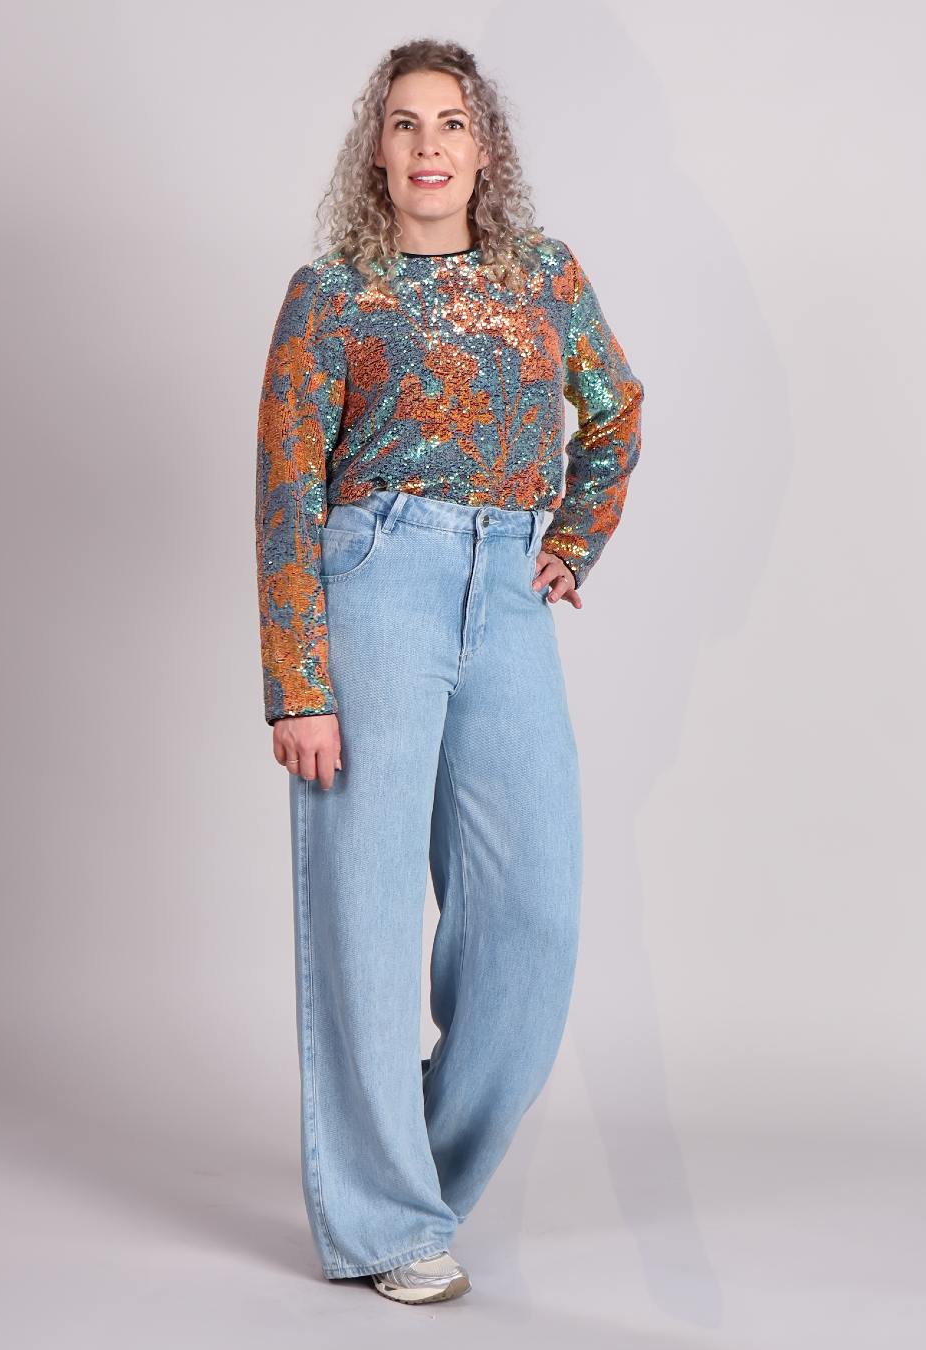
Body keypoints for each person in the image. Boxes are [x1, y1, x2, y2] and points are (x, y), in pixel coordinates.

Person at [255, 38, 644, 1305]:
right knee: (365, 917)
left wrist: (574, 536)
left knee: (534, 913)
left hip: (510, 590)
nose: (429, 145)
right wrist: (298, 683)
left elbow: (615, 408)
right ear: (375, 152)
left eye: (453, 123)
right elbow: (285, 492)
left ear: (486, 149)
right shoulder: (331, 296)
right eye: (406, 123)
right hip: (376, 579)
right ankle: (386, 1223)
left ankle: (404, 1179)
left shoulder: (544, 276)